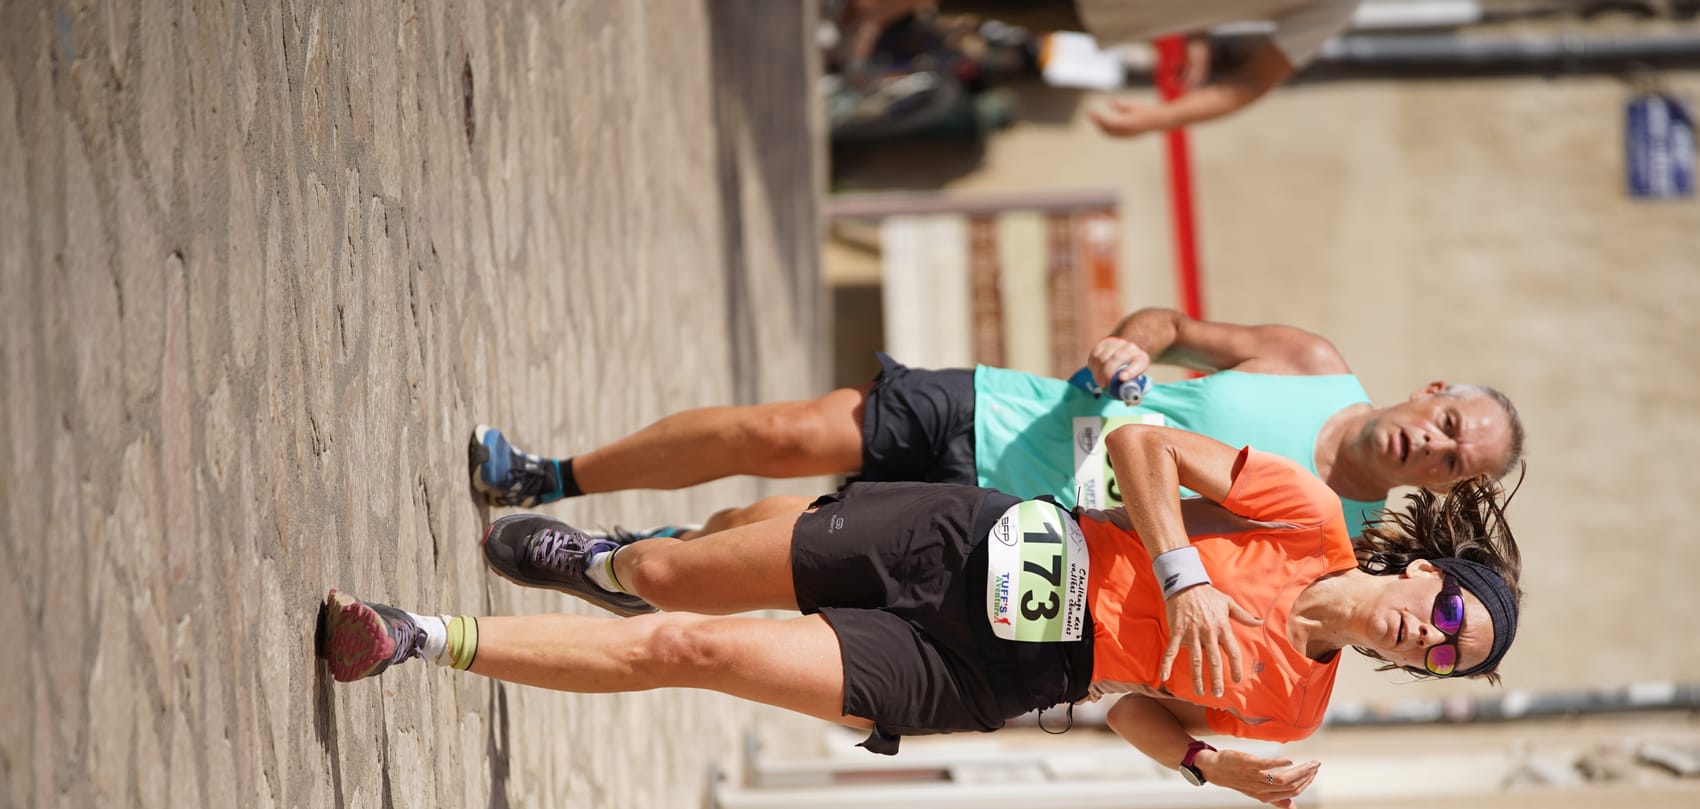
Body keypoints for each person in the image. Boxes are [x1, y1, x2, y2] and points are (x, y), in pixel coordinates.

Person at [323, 422, 1521, 808]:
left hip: (989, 675)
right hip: (983, 540)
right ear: (1427, 575)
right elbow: (1142, 444)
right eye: (1447, 615)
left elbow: (1128, 712)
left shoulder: (1296, 696)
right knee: (668, 583)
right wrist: (1183, 575)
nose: (1431, 638)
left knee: (697, 647)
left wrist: (1215, 764)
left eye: (1447, 658)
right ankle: (609, 557)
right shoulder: (1303, 513)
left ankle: (412, 636)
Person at [465, 306, 1525, 545]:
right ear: (1429, 391)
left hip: (1019, 517)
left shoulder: (1334, 529)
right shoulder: (1309, 362)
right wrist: (1128, 347)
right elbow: (1165, 321)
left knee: (780, 521)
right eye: (1447, 421)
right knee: (783, 432)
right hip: (1013, 407)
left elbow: (1184, 557)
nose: (1432, 445)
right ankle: (550, 476)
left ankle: (624, 562)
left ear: (1442, 487)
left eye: (1450, 460)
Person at [840, 2, 1363, 138]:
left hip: (1101, 11)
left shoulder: (1332, 7)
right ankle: (867, 19)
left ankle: (868, 18)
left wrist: (1157, 118)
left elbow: (1251, 81)